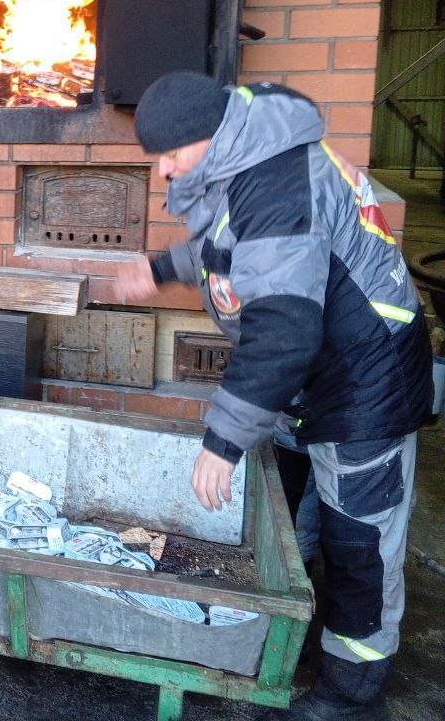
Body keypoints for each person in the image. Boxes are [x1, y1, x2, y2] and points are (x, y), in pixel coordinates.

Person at [114, 70, 432, 721]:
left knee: (360, 547)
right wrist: (161, 268)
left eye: (170, 157)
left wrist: (222, 443)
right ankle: (296, 629)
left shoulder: (280, 181)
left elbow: (284, 328)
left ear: (210, 138)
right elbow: (230, 245)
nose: (162, 173)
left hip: (363, 376)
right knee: (293, 517)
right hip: (314, 376)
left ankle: (350, 695)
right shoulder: (249, 154)